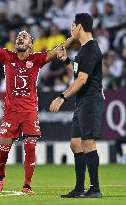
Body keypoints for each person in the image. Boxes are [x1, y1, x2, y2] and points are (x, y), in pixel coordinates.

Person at [0, 13, 74, 194]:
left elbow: (59, 49)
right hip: (11, 111)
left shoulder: (36, 60)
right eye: (19, 37)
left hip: (29, 111)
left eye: (24, 37)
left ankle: (27, 185)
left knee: (30, 146)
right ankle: (1, 175)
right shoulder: (7, 57)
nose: (20, 38)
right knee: (3, 150)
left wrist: (75, 36)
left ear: (31, 44)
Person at [50, 13, 104, 198]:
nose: (71, 28)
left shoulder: (91, 49)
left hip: (90, 100)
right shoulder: (83, 50)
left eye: (73, 25)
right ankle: (79, 188)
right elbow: (76, 71)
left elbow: (82, 79)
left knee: (88, 142)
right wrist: (66, 60)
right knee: (75, 144)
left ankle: (95, 188)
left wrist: (62, 97)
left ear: (79, 27)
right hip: (82, 101)